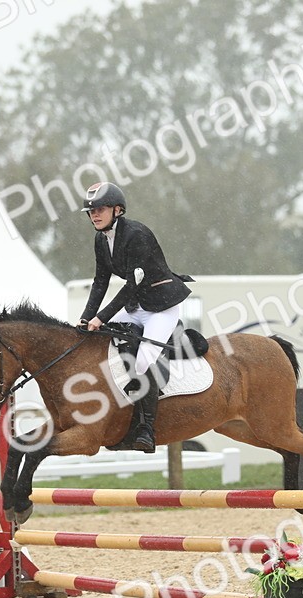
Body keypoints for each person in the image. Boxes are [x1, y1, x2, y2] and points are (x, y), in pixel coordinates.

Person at [78, 181, 193, 453]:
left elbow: (131, 285)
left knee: (142, 361)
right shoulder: (100, 239)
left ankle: (147, 429)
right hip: (136, 306)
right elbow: (100, 282)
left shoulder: (136, 235)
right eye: (91, 211)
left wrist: (100, 317)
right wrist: (85, 318)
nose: (95, 215)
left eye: (100, 209)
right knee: (106, 340)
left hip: (161, 307)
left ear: (117, 210)